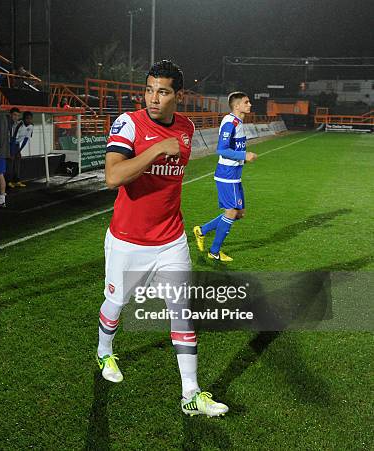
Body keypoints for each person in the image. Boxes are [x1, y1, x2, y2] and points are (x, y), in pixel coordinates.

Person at [97, 59, 228, 417]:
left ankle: (191, 393)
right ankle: (104, 351)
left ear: (178, 95)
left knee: (182, 313)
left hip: (171, 240)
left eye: (163, 91)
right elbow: (112, 177)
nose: (154, 98)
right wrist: (154, 149)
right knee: (116, 304)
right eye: (149, 89)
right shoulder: (129, 123)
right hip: (127, 240)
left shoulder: (186, 127)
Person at [193, 92, 257, 262]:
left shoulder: (239, 122)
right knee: (231, 212)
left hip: (235, 175)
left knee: (239, 213)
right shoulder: (231, 122)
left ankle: (202, 230)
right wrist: (244, 155)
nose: (250, 104)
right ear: (237, 106)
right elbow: (221, 149)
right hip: (226, 175)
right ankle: (214, 251)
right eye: (246, 102)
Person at [8, 111, 33, 188]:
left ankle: (16, 180)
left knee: (17, 162)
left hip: (17, 144)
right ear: (24, 118)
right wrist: (12, 152)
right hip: (10, 143)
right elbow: (13, 138)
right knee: (10, 163)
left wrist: (19, 150)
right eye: (27, 119)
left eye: (31, 119)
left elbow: (26, 139)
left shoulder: (31, 126)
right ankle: (8, 181)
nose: (29, 120)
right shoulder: (18, 124)